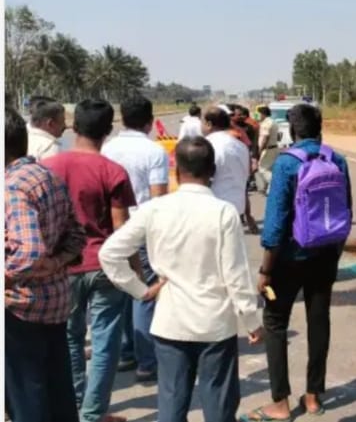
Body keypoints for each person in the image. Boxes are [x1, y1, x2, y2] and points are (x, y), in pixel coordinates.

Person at [99, 137, 264, 422]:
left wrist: (141, 291)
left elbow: (110, 253)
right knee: (218, 404)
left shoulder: (154, 209)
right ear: (212, 171)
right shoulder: (223, 212)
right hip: (214, 325)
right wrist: (251, 320)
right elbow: (236, 275)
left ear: (176, 170)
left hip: (170, 321)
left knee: (172, 403)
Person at [240, 104, 352, 421]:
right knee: (319, 322)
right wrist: (334, 255)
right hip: (325, 257)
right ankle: (314, 396)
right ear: (321, 127)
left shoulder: (287, 164)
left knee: (275, 324)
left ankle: (280, 403)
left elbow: (275, 226)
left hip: (288, 261)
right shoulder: (337, 160)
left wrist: (265, 271)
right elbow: (347, 213)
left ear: (293, 131)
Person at [42, 98, 137, 422]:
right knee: (104, 341)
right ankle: (93, 415)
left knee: (69, 339)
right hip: (103, 265)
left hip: (62, 267)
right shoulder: (112, 171)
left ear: (73, 126)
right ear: (108, 131)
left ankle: (74, 406)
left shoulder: (49, 167)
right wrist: (136, 273)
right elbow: (122, 230)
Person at [5, 108, 86, 422]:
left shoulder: (11, 187)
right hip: (55, 301)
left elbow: (28, 253)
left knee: (28, 394)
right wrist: (56, 263)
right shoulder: (46, 176)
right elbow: (76, 234)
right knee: (56, 389)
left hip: (20, 307)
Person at [101, 95, 170, 383]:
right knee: (144, 292)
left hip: (113, 227)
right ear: (148, 121)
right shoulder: (153, 151)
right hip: (142, 227)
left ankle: (128, 352)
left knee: (123, 288)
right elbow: (158, 198)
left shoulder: (107, 147)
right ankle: (146, 360)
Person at [203, 106, 252, 220]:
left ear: (209, 124)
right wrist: (248, 213)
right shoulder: (241, 146)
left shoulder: (207, 145)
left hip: (214, 210)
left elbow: (204, 181)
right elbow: (244, 180)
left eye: (203, 122)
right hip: (237, 209)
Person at [255, 106, 279, 195]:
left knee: (262, 169)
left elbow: (265, 137)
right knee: (270, 169)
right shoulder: (273, 122)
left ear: (262, 114)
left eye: (258, 114)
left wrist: (260, 150)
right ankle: (268, 189)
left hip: (268, 149)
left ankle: (274, 185)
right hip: (274, 148)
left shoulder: (266, 123)